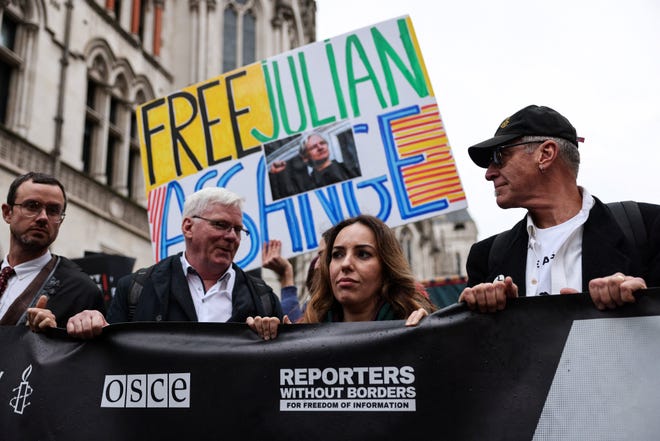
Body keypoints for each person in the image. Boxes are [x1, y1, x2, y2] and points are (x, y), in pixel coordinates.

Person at [458, 104, 659, 313]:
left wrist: (642, 301)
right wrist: (485, 315)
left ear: (546, 153)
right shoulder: (486, 256)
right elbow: (472, 342)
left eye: (499, 156)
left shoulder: (647, 228)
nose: (489, 173)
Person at [30, 187, 283, 338]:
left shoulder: (264, 298)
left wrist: (273, 333)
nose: (231, 236)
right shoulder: (135, 289)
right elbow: (108, 359)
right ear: (188, 226)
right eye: (221, 225)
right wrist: (86, 324)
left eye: (238, 230)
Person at [248, 215, 436, 339]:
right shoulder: (306, 331)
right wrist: (273, 341)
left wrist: (430, 334)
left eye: (363, 254)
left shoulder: (415, 329)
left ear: (387, 266)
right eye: (337, 254)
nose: (345, 264)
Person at [0, 172, 104, 330]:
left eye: (53, 211)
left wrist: (50, 339)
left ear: (60, 221)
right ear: (8, 213)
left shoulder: (81, 290)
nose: (43, 217)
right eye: (32, 206)